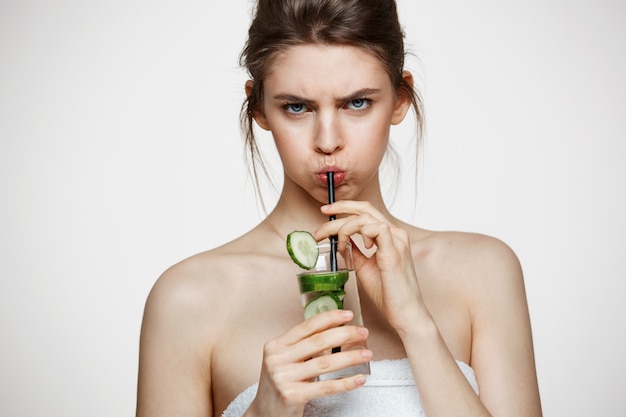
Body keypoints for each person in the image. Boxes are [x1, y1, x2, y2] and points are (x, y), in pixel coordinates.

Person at [136, 0, 543, 416]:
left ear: (401, 98)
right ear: (258, 107)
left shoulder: (483, 272)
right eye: (297, 107)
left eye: (357, 103)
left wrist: (417, 325)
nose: (328, 140)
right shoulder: (189, 299)